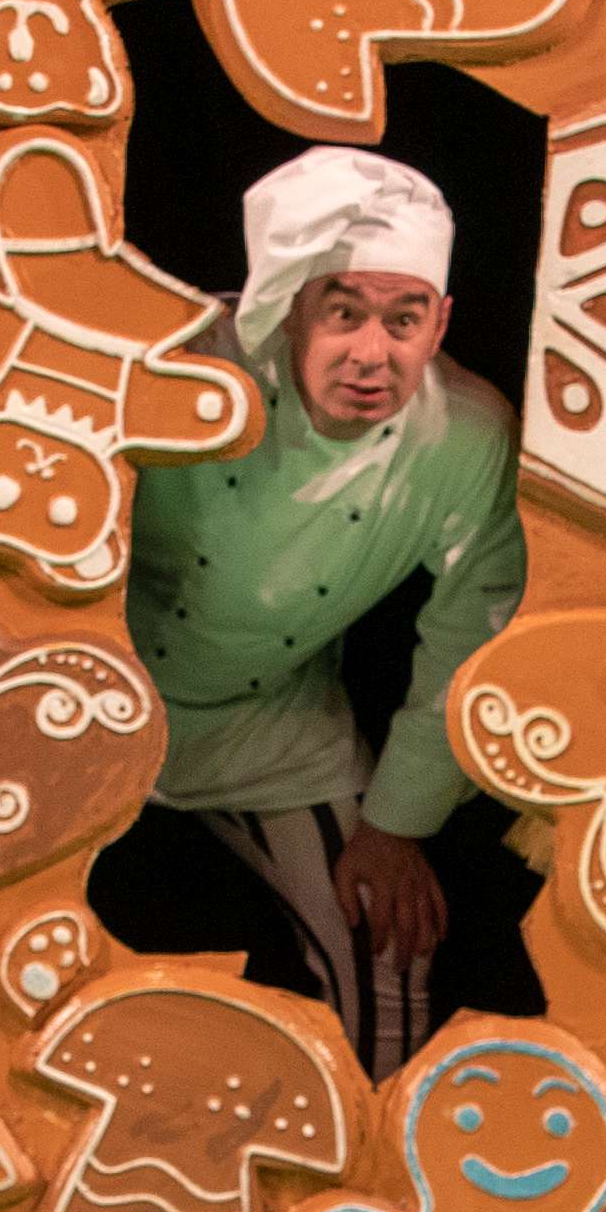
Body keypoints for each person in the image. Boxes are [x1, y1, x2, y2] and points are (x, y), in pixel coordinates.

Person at [92, 148, 530, 1068]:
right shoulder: (185, 360)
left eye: (404, 319)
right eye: (344, 313)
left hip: (268, 721)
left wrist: (395, 825)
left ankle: (371, 1150)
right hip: (93, 685)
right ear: (291, 308)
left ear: (441, 322)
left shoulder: (467, 436)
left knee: (389, 942)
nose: (372, 353)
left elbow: (469, 634)